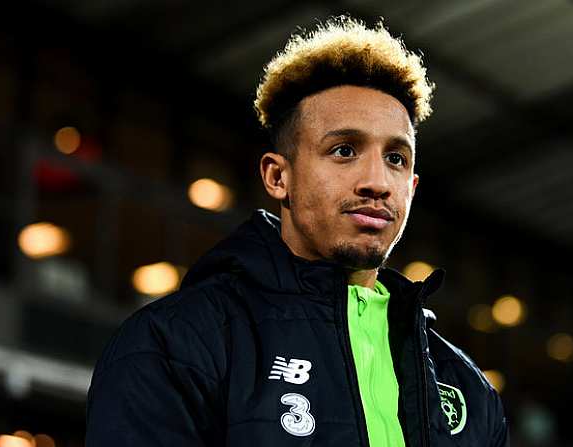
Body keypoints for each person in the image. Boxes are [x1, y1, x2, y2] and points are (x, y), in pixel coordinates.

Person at [85, 16, 509, 447]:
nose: (378, 182)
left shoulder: (468, 390)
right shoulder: (176, 345)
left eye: (397, 159)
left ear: (412, 187)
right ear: (277, 177)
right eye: (344, 150)